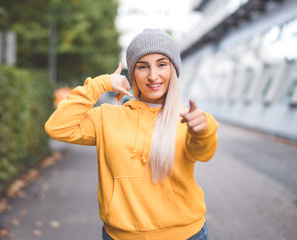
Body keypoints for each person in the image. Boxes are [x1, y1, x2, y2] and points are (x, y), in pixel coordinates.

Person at [45, 28, 218, 240]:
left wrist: (203, 129)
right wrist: (102, 84)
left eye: (162, 64)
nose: (153, 75)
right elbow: (57, 127)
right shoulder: (107, 117)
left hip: (186, 235)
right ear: (132, 73)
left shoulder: (187, 118)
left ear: (173, 69)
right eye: (143, 66)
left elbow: (203, 152)